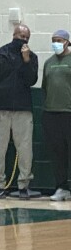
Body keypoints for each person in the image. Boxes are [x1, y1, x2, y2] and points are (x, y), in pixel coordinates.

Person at [0, 24, 39, 199]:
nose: (23, 40)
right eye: (21, 36)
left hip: (23, 110)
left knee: (25, 149)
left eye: (26, 37)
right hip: (0, 109)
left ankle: (24, 185)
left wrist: (26, 61)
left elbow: (31, 80)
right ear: (14, 34)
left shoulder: (32, 57)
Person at [43, 28, 71, 202]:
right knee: (58, 152)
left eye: (59, 40)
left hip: (69, 112)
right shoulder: (48, 63)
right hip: (52, 113)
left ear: (67, 42)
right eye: (53, 40)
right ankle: (62, 188)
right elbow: (45, 87)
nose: (56, 43)